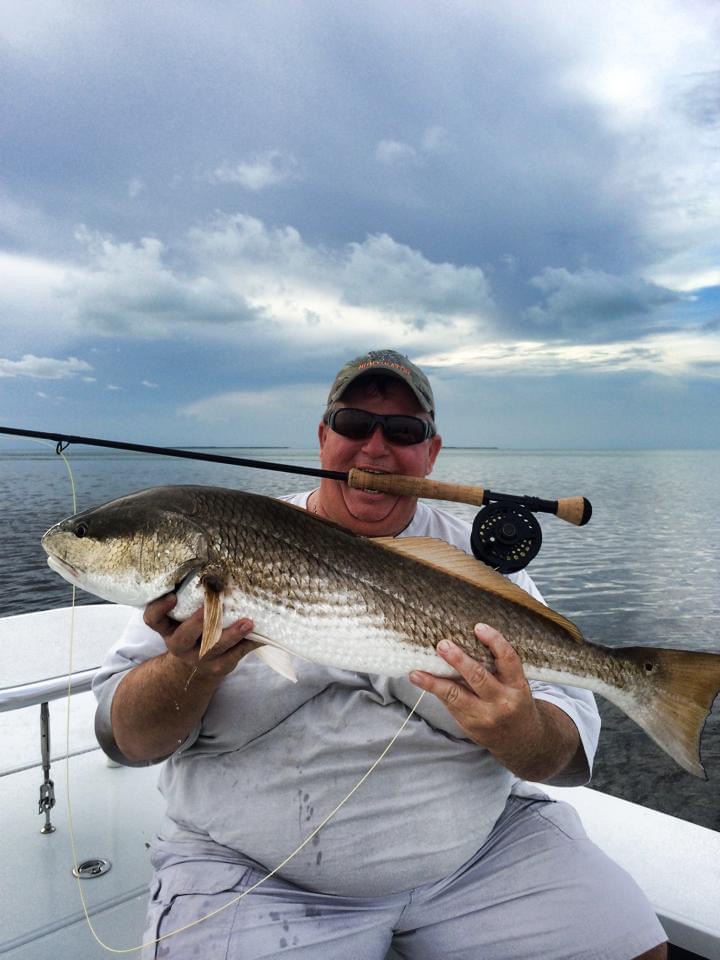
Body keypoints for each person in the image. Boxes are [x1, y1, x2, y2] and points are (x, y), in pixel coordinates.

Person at [93, 349, 668, 960]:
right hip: (253, 873)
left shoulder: (481, 574)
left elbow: (563, 756)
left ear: (431, 453)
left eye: (403, 431)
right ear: (323, 437)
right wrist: (186, 671)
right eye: (352, 425)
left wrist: (522, 732)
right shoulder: (224, 547)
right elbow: (124, 739)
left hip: (479, 857)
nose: (375, 448)